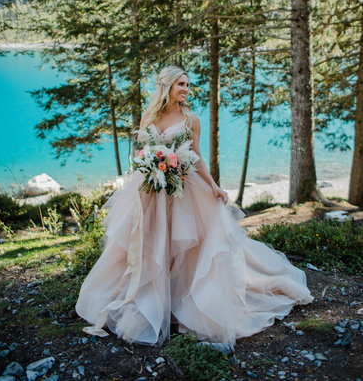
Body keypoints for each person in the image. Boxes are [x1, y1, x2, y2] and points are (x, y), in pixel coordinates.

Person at [75, 65, 313, 346]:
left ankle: (182, 303)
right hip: (149, 188)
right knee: (148, 243)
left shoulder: (191, 118)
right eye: (181, 85)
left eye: (188, 85)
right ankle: (147, 298)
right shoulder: (148, 115)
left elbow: (197, 157)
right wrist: (150, 163)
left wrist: (213, 186)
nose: (186, 90)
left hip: (180, 189)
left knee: (182, 247)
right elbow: (140, 152)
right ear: (167, 86)